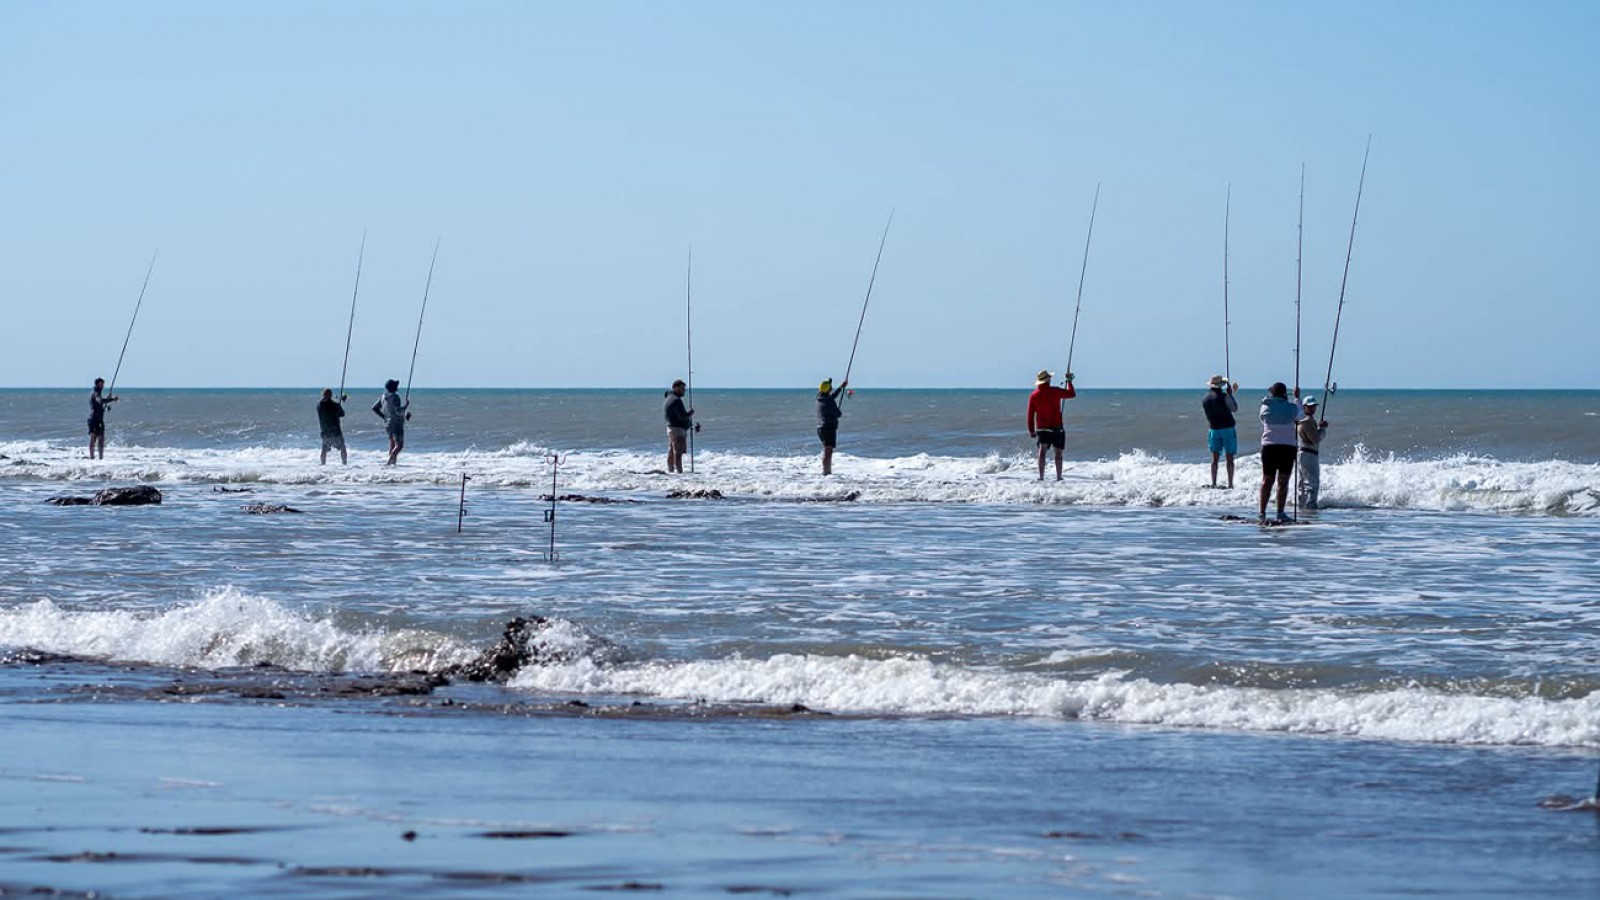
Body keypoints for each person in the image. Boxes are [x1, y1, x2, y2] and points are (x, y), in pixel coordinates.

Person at [1258, 382, 1303, 523]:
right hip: (1287, 447)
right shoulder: (1291, 408)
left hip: (1269, 446)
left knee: (1267, 481)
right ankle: (1280, 512)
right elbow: (1300, 416)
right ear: (1284, 395)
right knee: (1283, 481)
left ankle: (1262, 512)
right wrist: (1297, 398)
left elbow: (1262, 419)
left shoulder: (1265, 407)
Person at [1026, 369, 1077, 481]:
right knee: (1058, 452)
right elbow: (1072, 394)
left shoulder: (1034, 395)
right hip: (1057, 426)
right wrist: (1069, 381)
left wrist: (1031, 430)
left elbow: (1030, 415)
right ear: (1048, 380)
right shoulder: (1055, 391)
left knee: (1042, 451)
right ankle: (1059, 477)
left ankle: (1041, 477)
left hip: (1042, 428)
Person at [1202, 374, 1240, 488]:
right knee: (1229, 458)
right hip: (1227, 428)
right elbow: (1234, 408)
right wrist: (1230, 395)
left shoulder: (1205, 399)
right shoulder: (1224, 396)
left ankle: (1214, 482)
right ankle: (1230, 484)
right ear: (1221, 385)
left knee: (1214, 459)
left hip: (1213, 429)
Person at [1297, 397, 1328, 509]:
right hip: (1309, 454)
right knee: (1312, 483)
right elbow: (1316, 439)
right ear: (1304, 407)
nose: (1312, 409)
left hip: (1301, 454)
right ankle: (1310, 507)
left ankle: (1301, 506)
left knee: (1302, 484)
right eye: (1310, 407)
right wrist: (1322, 429)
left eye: (1314, 406)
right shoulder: (1307, 421)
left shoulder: (1301, 421)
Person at [371, 379, 409, 466]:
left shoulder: (383, 397)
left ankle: (392, 466)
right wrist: (406, 406)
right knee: (399, 446)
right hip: (396, 424)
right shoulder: (395, 397)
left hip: (388, 424)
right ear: (394, 387)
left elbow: (374, 408)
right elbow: (398, 411)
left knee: (392, 445)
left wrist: (384, 417)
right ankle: (389, 463)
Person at [663, 379, 696, 473]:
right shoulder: (676, 401)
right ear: (675, 388)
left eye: (684, 389)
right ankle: (679, 473)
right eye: (682, 389)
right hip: (677, 430)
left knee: (671, 451)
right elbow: (682, 417)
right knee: (678, 453)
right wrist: (690, 413)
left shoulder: (669, 397)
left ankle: (670, 471)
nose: (684, 391)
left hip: (670, 428)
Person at [816, 378, 847, 475]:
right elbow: (838, 414)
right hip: (828, 428)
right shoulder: (829, 401)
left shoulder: (820, 397)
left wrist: (841, 387)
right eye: (830, 386)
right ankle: (826, 473)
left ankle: (826, 472)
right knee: (828, 451)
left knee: (826, 450)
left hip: (821, 428)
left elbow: (832, 397)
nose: (831, 387)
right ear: (828, 389)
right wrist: (837, 410)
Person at [86, 377, 118, 459]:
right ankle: (92, 457)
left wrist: (107, 406)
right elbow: (99, 400)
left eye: (103, 384)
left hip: (99, 419)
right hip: (93, 419)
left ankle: (101, 458)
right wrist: (111, 399)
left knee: (101, 439)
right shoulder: (95, 393)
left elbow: (99, 405)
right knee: (93, 438)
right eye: (100, 384)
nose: (102, 386)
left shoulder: (98, 393)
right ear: (97, 384)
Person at [317, 388, 348, 465]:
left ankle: (322, 465)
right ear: (331, 395)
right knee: (342, 448)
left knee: (324, 450)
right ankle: (344, 464)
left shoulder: (319, 406)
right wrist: (340, 403)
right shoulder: (335, 405)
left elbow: (327, 405)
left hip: (325, 432)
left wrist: (338, 402)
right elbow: (342, 414)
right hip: (335, 432)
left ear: (323, 395)